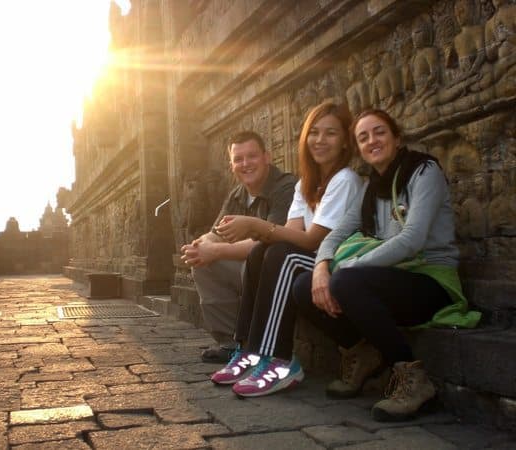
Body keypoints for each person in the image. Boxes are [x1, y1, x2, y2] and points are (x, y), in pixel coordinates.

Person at [292, 109, 481, 421]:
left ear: (397, 138)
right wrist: (321, 269)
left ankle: (412, 379)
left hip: (430, 280)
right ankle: (361, 352)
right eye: (363, 137)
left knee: (347, 281)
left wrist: (352, 266)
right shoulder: (371, 187)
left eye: (379, 132)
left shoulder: (423, 171)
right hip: (390, 279)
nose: (372, 141)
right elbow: (337, 233)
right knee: (302, 286)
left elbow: (412, 239)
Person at [210, 101, 363, 397]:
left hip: (337, 266)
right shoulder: (305, 184)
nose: (320, 140)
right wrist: (257, 232)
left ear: (345, 141)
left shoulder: (345, 180)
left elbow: (312, 241)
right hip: (310, 258)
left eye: (330, 133)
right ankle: (248, 350)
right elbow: (291, 233)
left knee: (283, 255)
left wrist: (254, 225)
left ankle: (279, 359)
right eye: (314, 133)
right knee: (260, 252)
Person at [181, 131, 297, 363]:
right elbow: (217, 232)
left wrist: (215, 251)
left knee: (236, 260)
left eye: (252, 156)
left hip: (278, 268)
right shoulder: (238, 194)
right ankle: (231, 343)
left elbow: (272, 238)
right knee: (202, 264)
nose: (245, 164)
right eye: (238, 159)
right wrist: (200, 245)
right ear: (232, 165)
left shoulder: (286, 186)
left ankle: (256, 344)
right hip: (250, 265)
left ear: (267, 157)